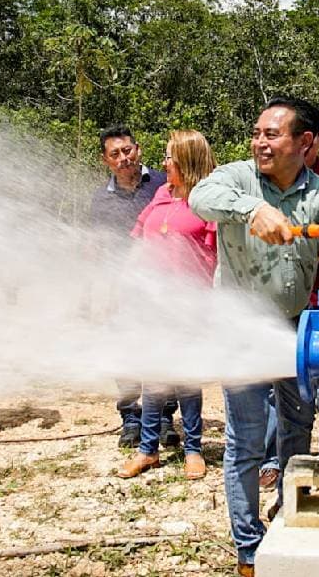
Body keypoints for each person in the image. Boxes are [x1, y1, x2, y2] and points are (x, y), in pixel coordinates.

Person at [189, 96, 319, 577]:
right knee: (246, 442)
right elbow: (199, 198)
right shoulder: (236, 178)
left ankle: (286, 514)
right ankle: (248, 549)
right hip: (240, 331)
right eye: (257, 133)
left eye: (271, 134)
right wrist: (252, 209)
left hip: (296, 330)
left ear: (305, 143)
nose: (259, 142)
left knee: (296, 431)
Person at [259, 123, 319, 491]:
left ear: (313, 141)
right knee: (287, 396)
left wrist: (293, 251)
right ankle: (290, 480)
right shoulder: (269, 182)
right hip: (285, 304)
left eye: (307, 144)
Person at [118, 130, 218, 482]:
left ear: (187, 162)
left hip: (189, 303)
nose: (163, 164)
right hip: (152, 303)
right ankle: (148, 451)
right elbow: (138, 237)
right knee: (154, 377)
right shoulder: (162, 192)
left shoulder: (208, 202)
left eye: (170, 158)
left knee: (187, 378)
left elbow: (218, 255)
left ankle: (193, 449)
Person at [85, 125, 178, 449]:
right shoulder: (100, 200)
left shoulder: (163, 186)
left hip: (162, 284)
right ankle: (131, 418)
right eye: (115, 154)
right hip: (120, 288)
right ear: (105, 160)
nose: (123, 159)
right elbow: (96, 248)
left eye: (128, 151)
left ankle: (165, 417)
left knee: (163, 351)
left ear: (138, 150)